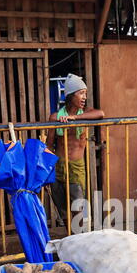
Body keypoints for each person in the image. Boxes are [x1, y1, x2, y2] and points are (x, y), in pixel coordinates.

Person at [46, 73, 104, 231]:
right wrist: (46, 170)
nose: (84, 97)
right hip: (58, 166)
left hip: (76, 167)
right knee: (62, 207)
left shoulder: (85, 114)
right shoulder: (56, 117)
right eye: (81, 93)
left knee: (77, 206)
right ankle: (70, 236)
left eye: (85, 93)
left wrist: (74, 119)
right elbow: (49, 146)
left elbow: (101, 114)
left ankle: (78, 237)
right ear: (71, 95)